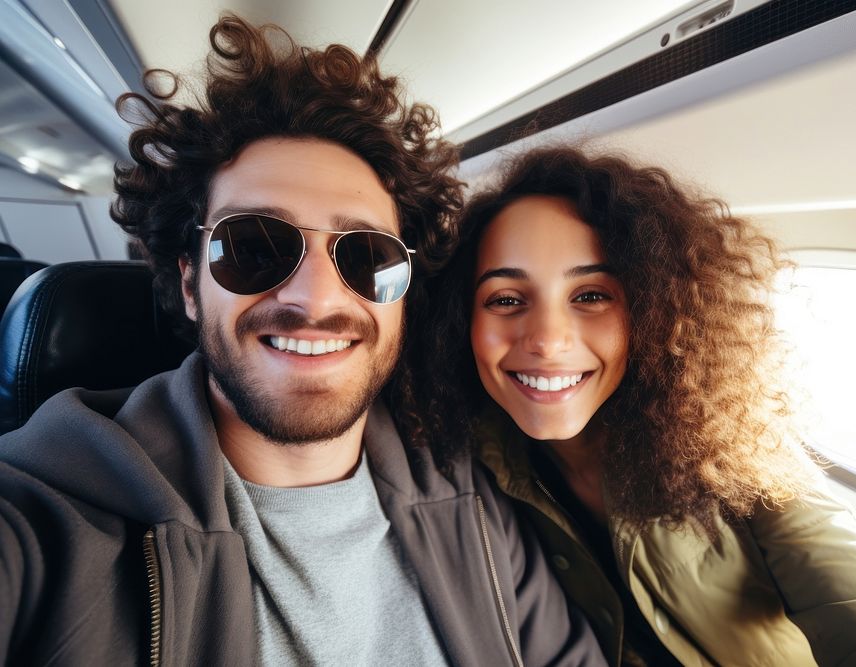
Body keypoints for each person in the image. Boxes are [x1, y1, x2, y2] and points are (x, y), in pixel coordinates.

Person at [0, 18, 605, 666]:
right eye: (254, 247)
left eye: (367, 256)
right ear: (188, 282)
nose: (315, 298)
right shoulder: (51, 514)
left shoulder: (472, 498)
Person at [414, 146, 856, 666]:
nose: (546, 338)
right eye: (507, 298)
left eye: (590, 295)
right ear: (460, 322)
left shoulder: (734, 459)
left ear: (651, 311)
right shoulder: (461, 463)